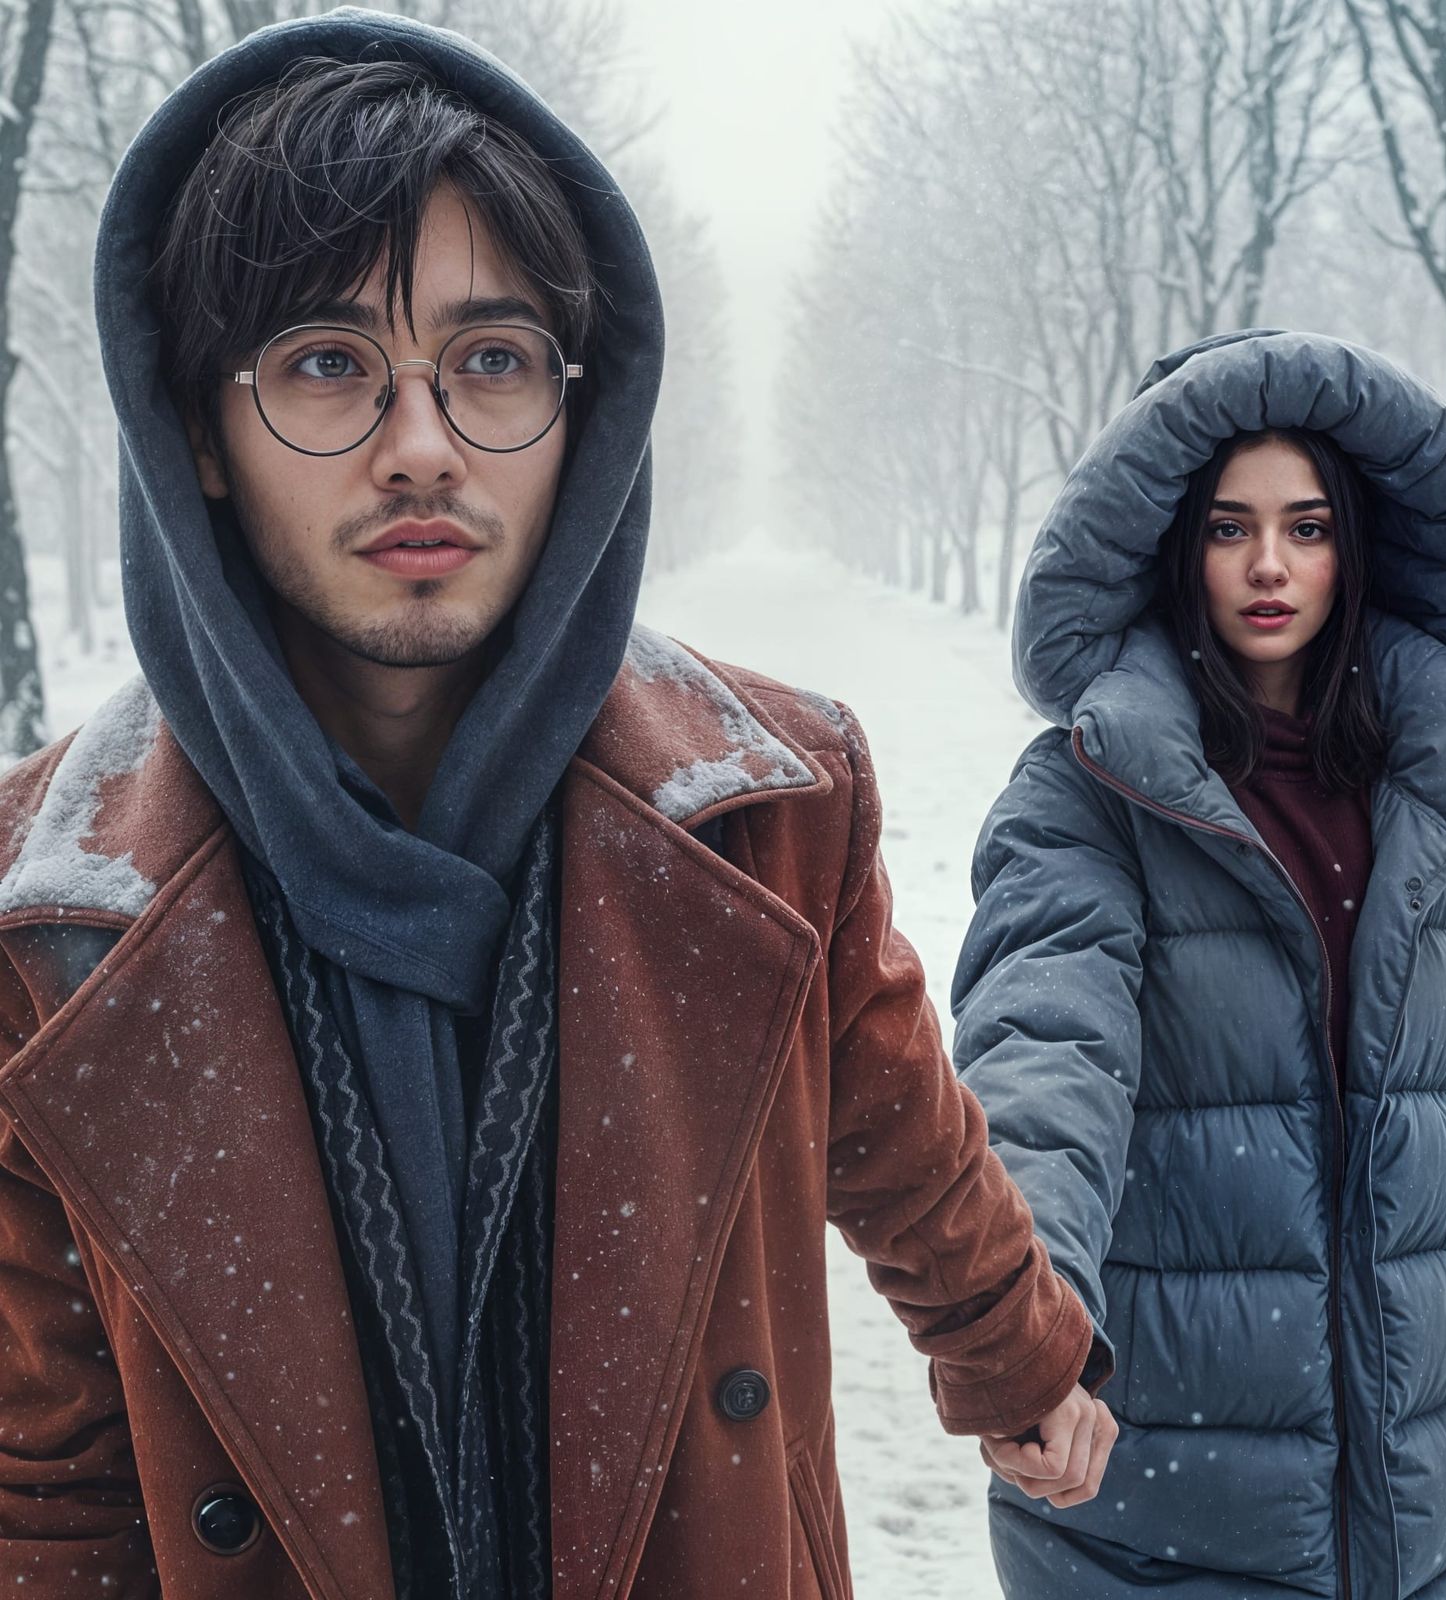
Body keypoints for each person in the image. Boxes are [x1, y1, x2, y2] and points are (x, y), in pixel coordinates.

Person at [0, 11, 1114, 1598]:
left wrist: (1020, 1354)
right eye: (328, 365)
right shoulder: (43, 923)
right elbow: (44, 1484)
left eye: (492, 362)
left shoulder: (774, 805)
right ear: (200, 430)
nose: (421, 449)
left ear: (584, 411)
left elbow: (893, 1127)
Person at [953, 329, 1446, 1600]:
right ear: (1172, 548)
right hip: (1169, 1477)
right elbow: (1043, 1057)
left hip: (1427, 1481)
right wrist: (1030, 1329)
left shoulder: (1430, 788)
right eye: (1229, 528)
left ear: (1358, 546)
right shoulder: (1090, 791)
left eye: (1307, 526)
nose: (1270, 565)